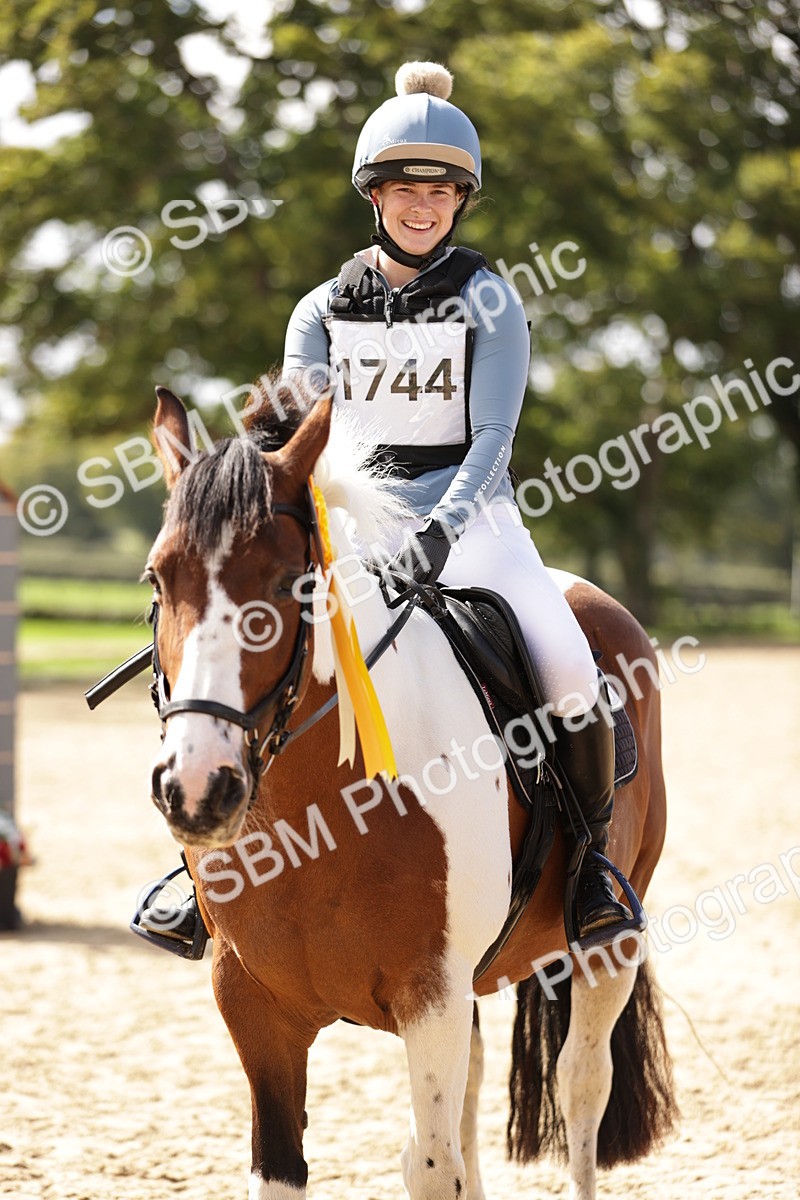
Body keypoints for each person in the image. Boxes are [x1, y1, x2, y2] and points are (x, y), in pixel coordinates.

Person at [140, 61, 630, 952]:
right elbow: (294, 431)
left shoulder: (490, 297)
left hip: (470, 522)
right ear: (375, 193)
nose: (423, 204)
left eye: (442, 191)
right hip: (350, 528)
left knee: (565, 664)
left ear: (461, 202)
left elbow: (493, 436)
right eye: (405, 186)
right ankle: (199, 862)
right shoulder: (321, 309)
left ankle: (594, 863)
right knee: (235, 651)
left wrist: (442, 530)